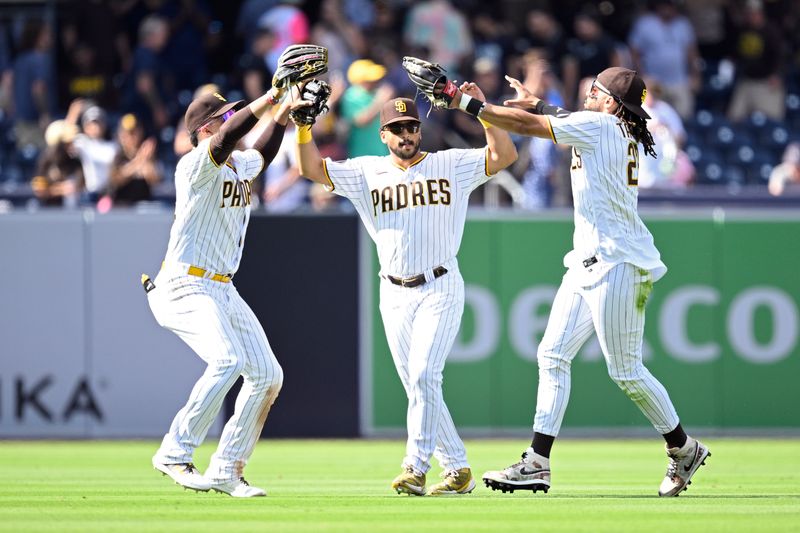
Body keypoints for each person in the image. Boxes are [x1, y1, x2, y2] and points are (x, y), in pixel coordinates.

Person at [450, 67, 709, 497]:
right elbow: (556, 117)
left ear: (610, 103)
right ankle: (536, 462)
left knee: (625, 371)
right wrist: (539, 104)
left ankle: (683, 448)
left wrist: (462, 102)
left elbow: (526, 126)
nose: (586, 98)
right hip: (589, 262)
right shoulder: (611, 125)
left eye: (594, 93)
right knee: (551, 354)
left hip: (617, 262)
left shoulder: (599, 125)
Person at [291, 95, 517, 495]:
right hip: (393, 290)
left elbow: (504, 155)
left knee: (425, 374)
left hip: (440, 284)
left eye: (411, 126)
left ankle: (415, 466)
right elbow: (309, 167)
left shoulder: (449, 163)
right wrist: (303, 127)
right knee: (419, 386)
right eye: (396, 129)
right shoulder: (366, 172)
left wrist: (480, 111)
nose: (406, 134)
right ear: (383, 135)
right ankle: (459, 469)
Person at [145, 82, 291, 497]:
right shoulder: (194, 163)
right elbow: (228, 137)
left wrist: (284, 112)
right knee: (227, 360)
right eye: (225, 115)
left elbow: (261, 153)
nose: (234, 120)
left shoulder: (237, 165)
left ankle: (227, 467)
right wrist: (271, 95)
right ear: (206, 129)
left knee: (267, 375)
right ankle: (175, 452)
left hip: (222, 288)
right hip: (184, 283)